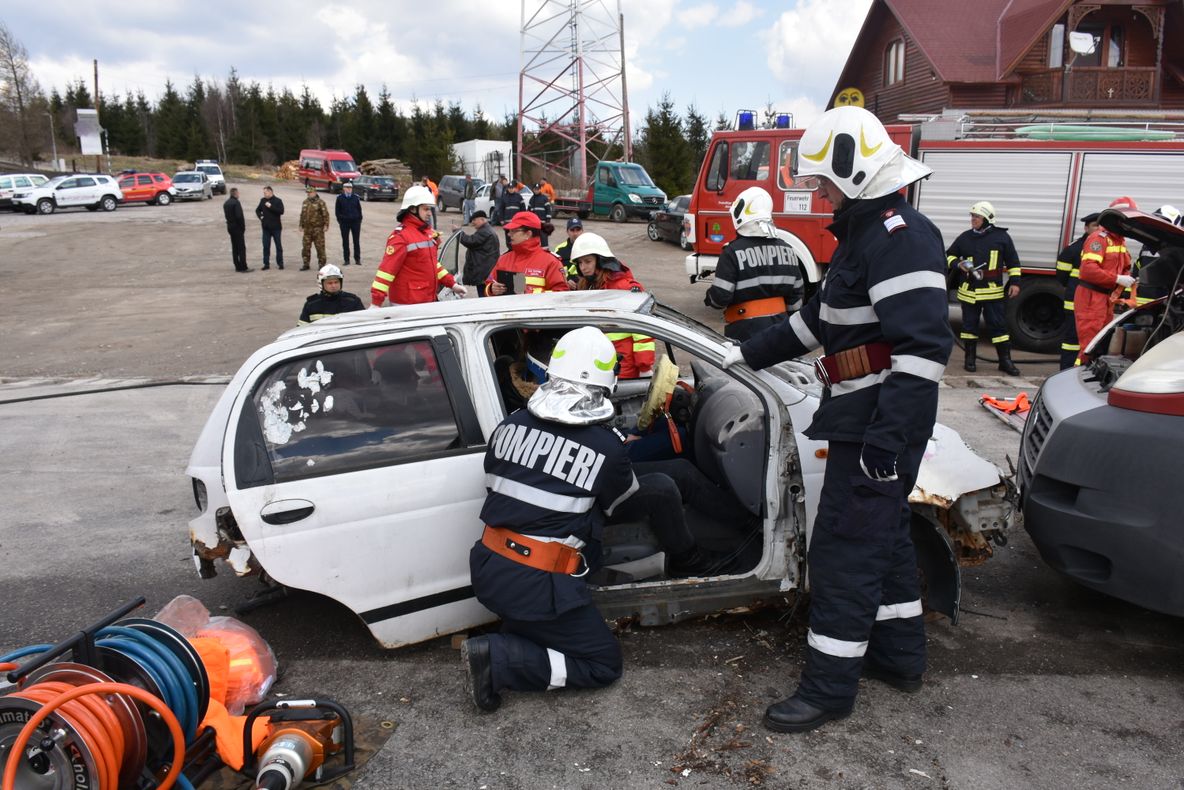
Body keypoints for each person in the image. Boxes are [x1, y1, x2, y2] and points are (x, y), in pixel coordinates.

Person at [722, 105, 952, 734]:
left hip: (876, 424)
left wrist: (887, 440)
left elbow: (924, 353)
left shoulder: (900, 236)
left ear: (852, 173)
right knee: (885, 541)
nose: (818, 195)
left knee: (844, 553)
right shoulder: (868, 233)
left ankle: (828, 689)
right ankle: (900, 658)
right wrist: (741, 353)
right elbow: (817, 322)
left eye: (822, 183)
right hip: (863, 417)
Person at [460, 328, 721, 713]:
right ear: (606, 385)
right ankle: (498, 658)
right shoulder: (604, 446)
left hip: (490, 568)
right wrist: (613, 451)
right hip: (540, 586)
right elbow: (620, 501)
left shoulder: (509, 425)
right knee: (602, 665)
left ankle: (517, 635)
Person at [704, 186, 804, 342]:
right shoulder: (788, 250)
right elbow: (796, 299)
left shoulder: (732, 252)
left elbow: (720, 298)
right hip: (781, 332)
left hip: (743, 334)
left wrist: (709, 297)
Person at [944, 201, 1021, 375]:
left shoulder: (1001, 238)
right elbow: (948, 255)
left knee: (999, 327)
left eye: (977, 217)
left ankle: (1005, 361)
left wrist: (1015, 282)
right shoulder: (965, 237)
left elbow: (1013, 262)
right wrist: (957, 264)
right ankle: (969, 359)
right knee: (969, 327)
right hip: (969, 292)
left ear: (987, 219)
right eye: (972, 216)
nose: (973, 219)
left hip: (992, 292)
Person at [570, 231, 654, 378]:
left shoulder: (625, 288)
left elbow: (642, 331)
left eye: (588, 261)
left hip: (623, 367)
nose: (583, 267)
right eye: (580, 263)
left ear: (601, 261)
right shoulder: (586, 287)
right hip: (596, 365)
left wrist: (644, 368)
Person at [371, 185, 467, 306]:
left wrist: (452, 284)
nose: (429, 213)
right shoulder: (400, 237)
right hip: (408, 304)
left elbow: (432, 264)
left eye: (430, 209)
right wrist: (376, 302)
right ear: (412, 209)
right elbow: (386, 272)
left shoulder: (425, 233)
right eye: (425, 209)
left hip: (425, 301)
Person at [1075, 196, 1138, 362]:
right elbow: (1088, 270)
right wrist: (1117, 278)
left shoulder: (1119, 241)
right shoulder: (1099, 238)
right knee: (1089, 347)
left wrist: (1125, 280)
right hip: (1091, 298)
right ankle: (1076, 381)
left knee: (1100, 345)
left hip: (1105, 299)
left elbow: (1124, 266)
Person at [1054, 212, 1101, 369]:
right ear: (1086, 228)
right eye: (1095, 225)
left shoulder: (1103, 248)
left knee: (1092, 339)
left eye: (1101, 226)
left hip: (1094, 303)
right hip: (1074, 302)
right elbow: (1061, 276)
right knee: (1072, 340)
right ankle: (1065, 371)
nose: (1098, 229)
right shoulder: (1074, 249)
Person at [484, 211, 570, 296]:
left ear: (528, 234)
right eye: (509, 231)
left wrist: (531, 294)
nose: (509, 234)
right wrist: (491, 289)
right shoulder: (504, 259)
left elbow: (561, 294)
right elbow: (488, 284)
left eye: (514, 231)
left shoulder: (551, 262)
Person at [298, 264, 365, 325]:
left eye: (336, 282)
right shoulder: (311, 304)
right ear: (321, 284)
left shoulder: (353, 302)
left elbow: (364, 326)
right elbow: (301, 330)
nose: (333, 285)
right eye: (329, 283)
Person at [459, 210, 501, 296]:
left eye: (474, 220)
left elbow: (470, 241)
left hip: (484, 272)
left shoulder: (485, 231)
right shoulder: (486, 230)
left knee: (484, 296)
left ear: (482, 219)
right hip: (485, 271)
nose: (472, 222)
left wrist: (458, 233)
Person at [298, 184, 330, 271]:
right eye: (307, 193)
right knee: (305, 248)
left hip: (318, 229)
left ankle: (322, 264)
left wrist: (326, 225)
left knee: (320, 248)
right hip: (307, 230)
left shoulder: (320, 202)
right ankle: (306, 264)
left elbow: (325, 214)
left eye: (310, 192)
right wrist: (301, 225)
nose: (308, 194)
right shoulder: (305, 202)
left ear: (314, 192)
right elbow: (302, 214)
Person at [255, 186, 285, 270]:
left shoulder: (278, 201)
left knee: (278, 246)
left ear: (270, 192)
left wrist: (271, 207)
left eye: (265, 192)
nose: (264, 194)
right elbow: (257, 210)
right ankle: (266, 264)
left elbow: (281, 211)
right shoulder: (262, 200)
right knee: (266, 246)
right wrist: (260, 216)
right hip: (266, 228)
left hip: (276, 228)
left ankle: (280, 263)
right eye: (263, 193)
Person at [335, 181, 364, 266]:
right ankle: (346, 259)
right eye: (347, 188)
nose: (349, 189)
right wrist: (341, 221)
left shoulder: (355, 198)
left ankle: (357, 259)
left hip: (355, 222)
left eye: (350, 188)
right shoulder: (340, 198)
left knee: (356, 241)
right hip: (344, 223)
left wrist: (359, 219)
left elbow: (359, 209)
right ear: (344, 189)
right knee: (345, 241)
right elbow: (337, 211)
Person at [223, 187, 250, 273]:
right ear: (235, 194)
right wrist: (242, 227)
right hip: (237, 227)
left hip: (230, 226)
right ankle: (243, 266)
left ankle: (237, 266)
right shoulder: (236, 203)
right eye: (238, 193)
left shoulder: (226, 203)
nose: (239, 194)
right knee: (241, 247)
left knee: (234, 247)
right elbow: (239, 216)